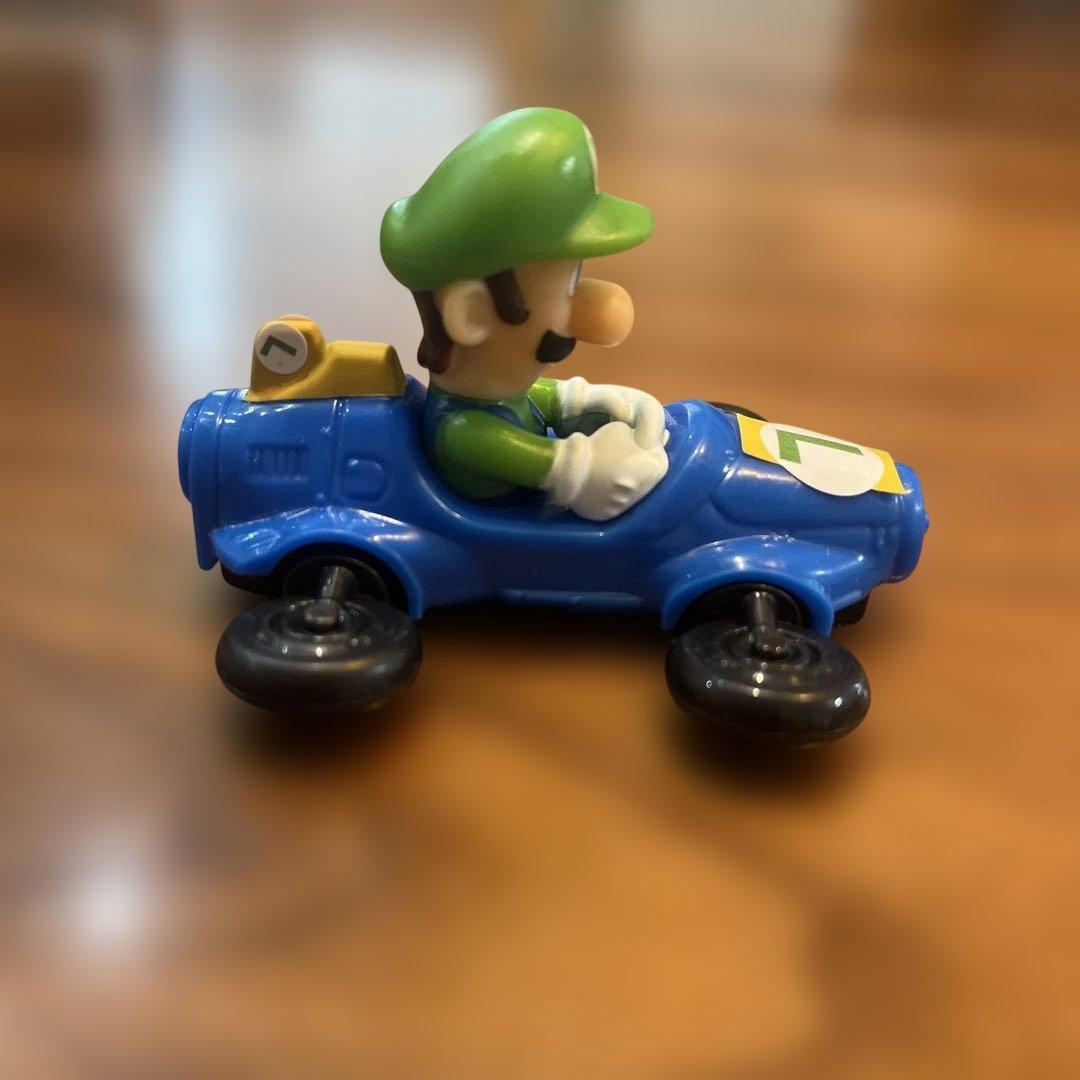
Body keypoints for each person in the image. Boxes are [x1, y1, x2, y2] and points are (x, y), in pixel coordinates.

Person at [380, 107, 669, 521]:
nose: (602, 307)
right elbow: (582, 475)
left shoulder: (497, 397)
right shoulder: (465, 434)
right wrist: (593, 466)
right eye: (569, 286)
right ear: (474, 315)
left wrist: (580, 401)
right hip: (498, 542)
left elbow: (528, 400)